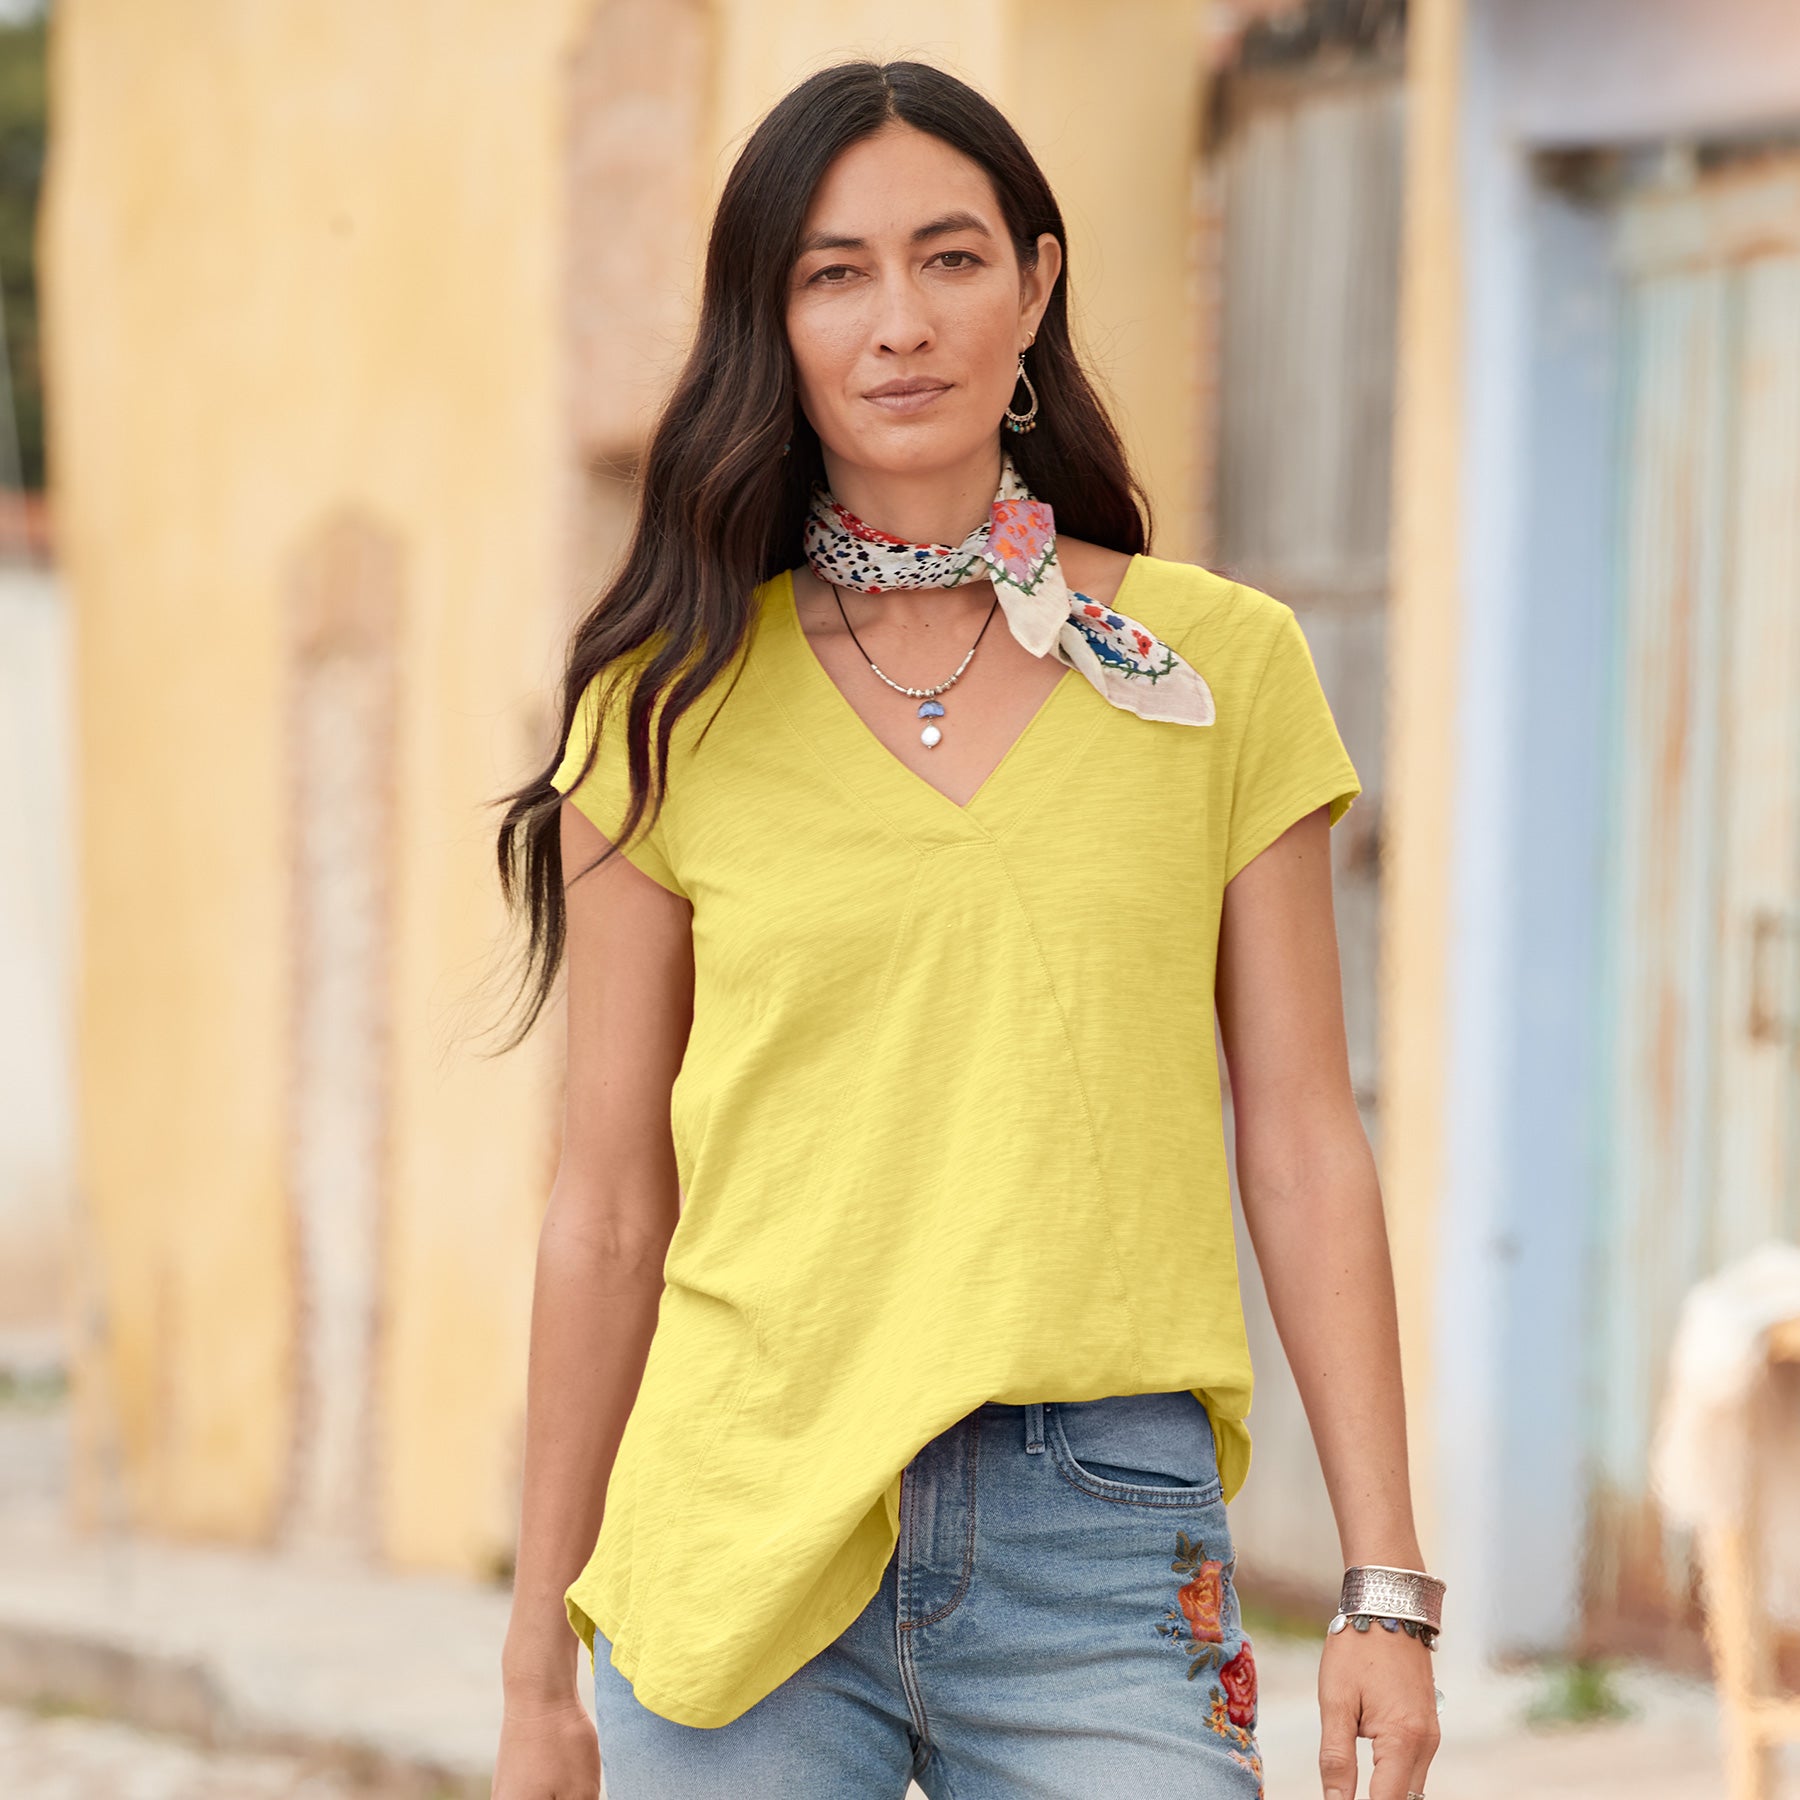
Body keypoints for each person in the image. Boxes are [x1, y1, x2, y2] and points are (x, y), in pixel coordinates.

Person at [490, 56, 1442, 1800]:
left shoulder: (1218, 670)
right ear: (772, 324)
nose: (900, 323)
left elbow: (1306, 1143)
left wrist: (1385, 1589)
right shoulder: (664, 703)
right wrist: (533, 1667)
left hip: (1103, 1541)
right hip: (739, 1528)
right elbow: (610, 1207)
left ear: (1036, 284)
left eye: (950, 258)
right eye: (835, 274)